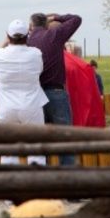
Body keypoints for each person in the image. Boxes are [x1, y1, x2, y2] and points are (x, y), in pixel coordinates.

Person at [0, 20, 48, 165]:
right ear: (27, 35)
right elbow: (40, 70)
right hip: (32, 105)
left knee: (8, 150)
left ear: (8, 36)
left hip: (7, 108)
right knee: (36, 149)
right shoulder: (36, 54)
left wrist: (4, 44)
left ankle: (9, 184)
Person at [27, 12, 81, 166]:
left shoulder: (28, 41)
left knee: (39, 140)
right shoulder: (54, 35)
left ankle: (41, 177)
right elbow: (76, 19)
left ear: (31, 26)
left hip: (35, 95)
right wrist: (57, 17)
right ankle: (68, 177)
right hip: (56, 93)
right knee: (65, 139)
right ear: (46, 24)